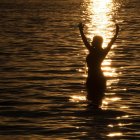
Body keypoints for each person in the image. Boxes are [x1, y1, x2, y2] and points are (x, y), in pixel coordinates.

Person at [78, 23, 119, 109]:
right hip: (97, 78)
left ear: (96, 43)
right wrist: (116, 34)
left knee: (91, 100)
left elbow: (85, 42)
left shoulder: (93, 51)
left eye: (93, 41)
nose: (91, 42)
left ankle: (95, 117)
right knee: (97, 100)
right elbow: (111, 43)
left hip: (93, 78)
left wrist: (81, 31)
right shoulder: (102, 52)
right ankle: (98, 117)